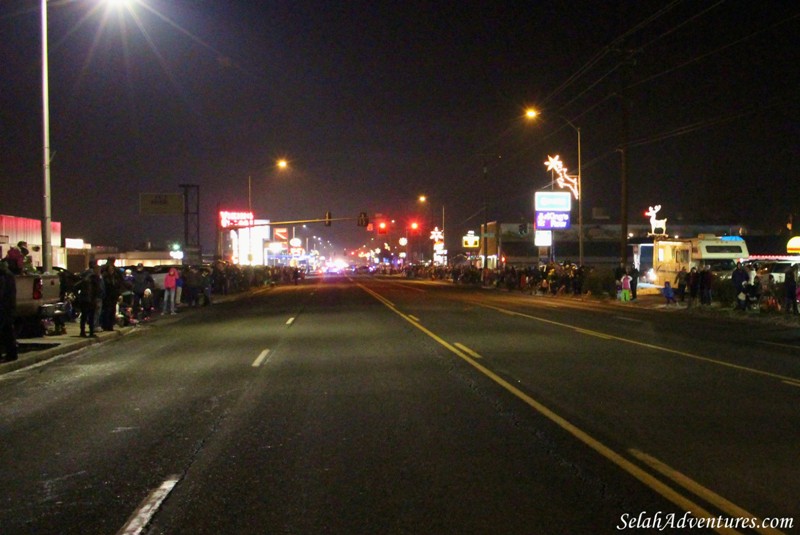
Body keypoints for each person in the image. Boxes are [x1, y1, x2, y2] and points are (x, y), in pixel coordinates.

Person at [74, 260, 101, 337]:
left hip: (89, 299)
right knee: (86, 316)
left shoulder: (92, 278)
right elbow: (77, 287)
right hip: (88, 300)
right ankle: (85, 331)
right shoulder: (90, 278)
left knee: (88, 316)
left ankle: (88, 331)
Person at [0, 260, 18, 362]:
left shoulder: (4, 276)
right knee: (8, 331)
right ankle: (11, 353)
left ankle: (11, 354)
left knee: (6, 331)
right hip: (9, 307)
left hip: (4, 308)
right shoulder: (9, 276)